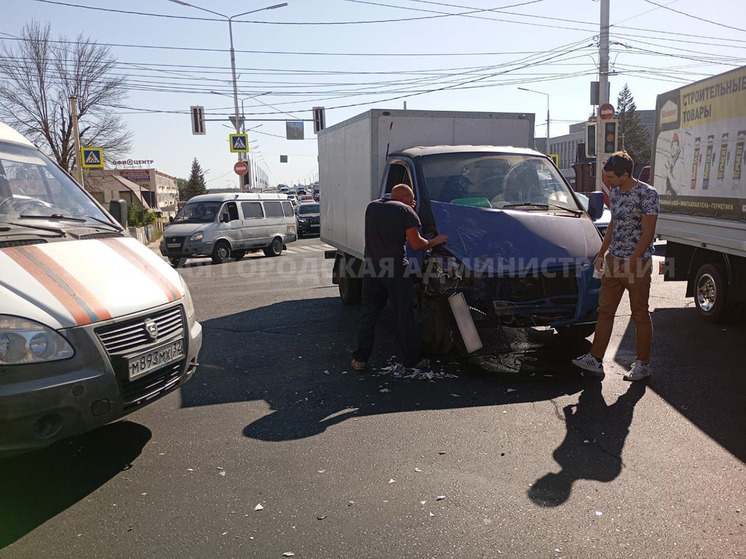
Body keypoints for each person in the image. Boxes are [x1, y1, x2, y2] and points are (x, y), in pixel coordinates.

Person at [572, 151, 659, 381]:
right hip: (613, 260)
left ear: (626, 174)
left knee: (639, 314)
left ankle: (643, 364)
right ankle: (595, 358)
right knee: (605, 311)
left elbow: (648, 233)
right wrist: (602, 252)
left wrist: (630, 263)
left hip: (637, 264)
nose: (607, 181)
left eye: (611, 177)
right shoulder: (616, 192)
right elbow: (614, 223)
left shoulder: (648, 194)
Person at [351, 184, 448, 371]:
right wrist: (436, 240)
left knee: (368, 314)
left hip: (372, 267)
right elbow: (416, 243)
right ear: (404, 196)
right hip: (395, 268)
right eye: (411, 199)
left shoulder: (372, 207)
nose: (413, 202)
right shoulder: (406, 211)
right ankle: (413, 359)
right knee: (404, 315)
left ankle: (360, 359)